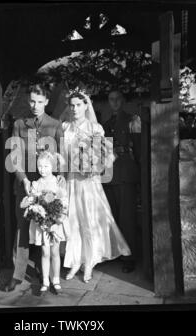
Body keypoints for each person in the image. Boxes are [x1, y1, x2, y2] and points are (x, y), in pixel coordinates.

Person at [61, 88, 131, 283]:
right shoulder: (65, 127)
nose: (74, 109)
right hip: (71, 181)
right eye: (72, 105)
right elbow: (61, 156)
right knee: (72, 220)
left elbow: (107, 156)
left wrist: (95, 167)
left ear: (86, 106)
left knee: (90, 219)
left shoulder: (95, 128)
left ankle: (90, 260)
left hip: (89, 182)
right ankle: (76, 259)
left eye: (78, 105)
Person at [5, 83, 64, 292]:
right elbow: (14, 156)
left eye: (40, 101)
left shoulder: (55, 125)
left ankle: (43, 271)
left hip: (47, 187)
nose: (35, 105)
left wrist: (57, 179)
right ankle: (18, 274)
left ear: (46, 102)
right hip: (25, 186)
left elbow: (62, 158)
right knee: (22, 228)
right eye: (32, 101)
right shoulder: (20, 124)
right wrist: (24, 179)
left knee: (45, 227)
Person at [102, 90, 141, 273]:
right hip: (110, 175)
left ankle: (129, 257)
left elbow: (139, 148)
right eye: (111, 99)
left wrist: (139, 173)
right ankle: (117, 253)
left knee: (127, 218)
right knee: (114, 217)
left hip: (126, 173)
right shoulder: (106, 124)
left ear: (123, 100)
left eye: (118, 98)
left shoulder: (133, 120)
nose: (115, 102)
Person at [27, 151, 69, 293]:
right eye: (40, 166)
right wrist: (39, 216)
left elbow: (64, 201)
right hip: (42, 225)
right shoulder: (37, 184)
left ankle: (56, 280)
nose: (42, 169)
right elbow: (32, 202)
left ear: (52, 167)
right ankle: (45, 280)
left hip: (55, 223)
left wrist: (59, 217)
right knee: (45, 252)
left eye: (46, 166)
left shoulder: (57, 182)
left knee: (55, 252)